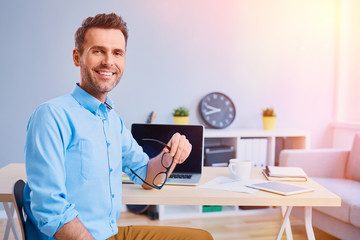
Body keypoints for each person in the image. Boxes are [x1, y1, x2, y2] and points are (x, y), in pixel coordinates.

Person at [23, 13, 213, 240]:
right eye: (98, 51)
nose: (108, 61)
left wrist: (170, 155)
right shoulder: (52, 116)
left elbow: (146, 177)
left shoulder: (112, 121)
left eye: (117, 53)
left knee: (201, 237)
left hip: (108, 234)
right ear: (77, 57)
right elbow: (50, 210)